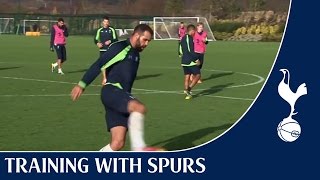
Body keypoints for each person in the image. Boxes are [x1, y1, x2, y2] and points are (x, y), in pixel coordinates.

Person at [71, 24, 163, 152]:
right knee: (139, 108)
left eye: (149, 41)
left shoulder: (136, 53)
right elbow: (99, 64)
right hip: (112, 92)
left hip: (120, 96)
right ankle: (139, 148)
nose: (147, 43)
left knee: (118, 143)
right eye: (145, 39)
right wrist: (82, 84)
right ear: (136, 35)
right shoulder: (120, 47)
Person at [94, 16, 118, 85]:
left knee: (111, 64)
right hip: (102, 50)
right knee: (103, 64)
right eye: (105, 21)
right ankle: (104, 78)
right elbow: (95, 39)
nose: (106, 23)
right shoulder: (99, 30)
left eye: (107, 22)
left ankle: (111, 77)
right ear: (102, 22)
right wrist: (97, 43)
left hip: (110, 49)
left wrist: (110, 41)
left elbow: (116, 39)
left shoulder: (112, 29)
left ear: (109, 22)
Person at [180, 24, 201, 100]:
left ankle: (186, 91)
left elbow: (180, 48)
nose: (195, 32)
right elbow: (190, 50)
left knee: (187, 76)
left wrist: (180, 54)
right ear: (191, 31)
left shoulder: (183, 38)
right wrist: (196, 59)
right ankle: (189, 89)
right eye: (194, 31)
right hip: (190, 61)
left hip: (184, 60)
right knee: (198, 75)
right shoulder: (189, 38)